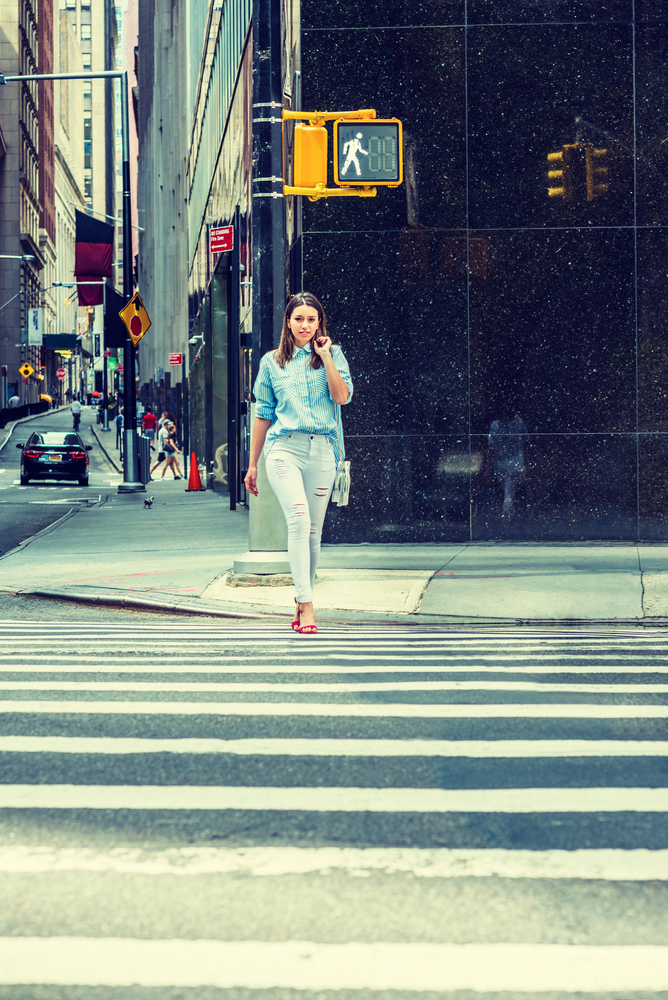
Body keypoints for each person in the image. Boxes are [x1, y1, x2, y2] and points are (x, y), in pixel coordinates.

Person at [244, 292, 353, 635]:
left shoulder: (332, 355)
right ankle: (306, 604)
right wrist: (252, 464)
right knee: (299, 519)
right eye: (298, 319)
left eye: (311, 319)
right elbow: (262, 415)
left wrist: (326, 357)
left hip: (323, 450)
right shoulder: (271, 362)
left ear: (320, 322)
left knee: (313, 533)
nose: (305, 325)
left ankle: (301, 596)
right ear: (287, 322)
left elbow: (342, 397)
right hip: (283, 450)